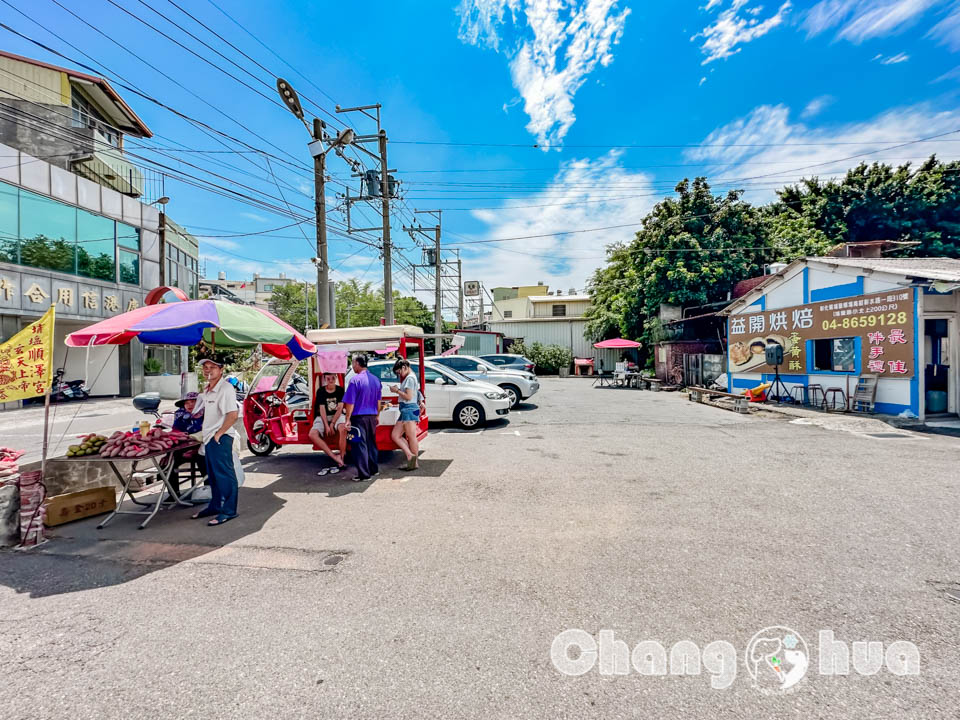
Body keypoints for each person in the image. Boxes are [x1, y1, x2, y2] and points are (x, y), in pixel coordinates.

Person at [191, 358, 240, 526]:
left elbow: (232, 415)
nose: (208, 370)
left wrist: (219, 434)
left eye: (212, 367)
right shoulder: (208, 389)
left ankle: (229, 510)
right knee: (213, 476)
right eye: (205, 367)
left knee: (225, 475)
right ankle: (214, 506)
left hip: (220, 437)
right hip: (209, 437)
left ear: (221, 369)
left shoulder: (225, 389)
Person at [342, 353, 382, 482]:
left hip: (358, 417)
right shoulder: (376, 379)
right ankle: (373, 469)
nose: (352, 366)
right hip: (371, 416)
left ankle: (364, 474)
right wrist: (377, 415)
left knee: (359, 446)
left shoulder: (355, 380)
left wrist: (347, 419)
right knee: (371, 443)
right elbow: (379, 401)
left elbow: (350, 403)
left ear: (357, 363)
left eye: (353, 363)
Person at [308, 372, 347, 470]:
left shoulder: (340, 390)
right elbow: (322, 409)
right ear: (325, 379)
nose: (330, 380)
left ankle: (342, 457)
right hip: (323, 416)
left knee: (343, 428)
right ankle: (334, 456)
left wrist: (332, 423)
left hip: (336, 416)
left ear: (336, 378)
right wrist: (326, 425)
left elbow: (340, 408)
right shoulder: (321, 391)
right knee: (312, 434)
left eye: (333, 378)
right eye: (328, 378)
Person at [170, 391, 206, 492]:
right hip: (184, 448)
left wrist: (196, 449)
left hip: (203, 447)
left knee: (204, 460)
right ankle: (173, 493)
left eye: (193, 402)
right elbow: (175, 432)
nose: (189, 405)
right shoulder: (180, 415)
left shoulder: (207, 414)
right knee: (167, 464)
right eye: (187, 402)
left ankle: (209, 489)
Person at [389, 358, 420, 471]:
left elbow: (408, 396)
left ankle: (413, 462)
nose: (399, 374)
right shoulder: (411, 377)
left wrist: (396, 391)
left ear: (404, 367)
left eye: (399, 372)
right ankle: (410, 457)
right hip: (407, 409)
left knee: (411, 437)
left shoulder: (410, 378)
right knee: (396, 435)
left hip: (408, 409)